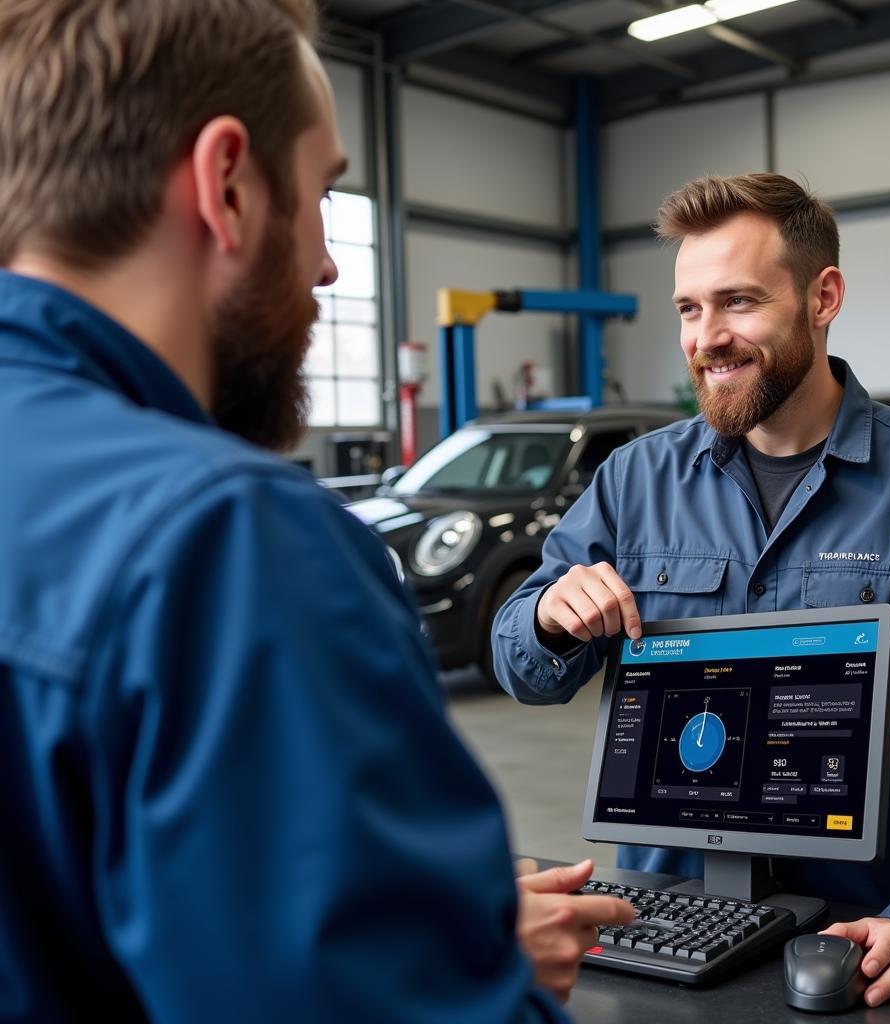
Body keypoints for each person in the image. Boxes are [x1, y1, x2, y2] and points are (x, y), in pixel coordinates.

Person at [0, 1, 633, 1019]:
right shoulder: (225, 542)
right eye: (324, 192)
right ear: (228, 187)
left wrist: (409, 921)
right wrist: (470, 964)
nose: (330, 265)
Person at [492, 172, 890, 1007]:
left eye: (737, 302)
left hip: (863, 943)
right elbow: (521, 662)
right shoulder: (635, 481)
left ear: (824, 297)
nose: (708, 337)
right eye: (688, 309)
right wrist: (550, 620)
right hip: (670, 939)